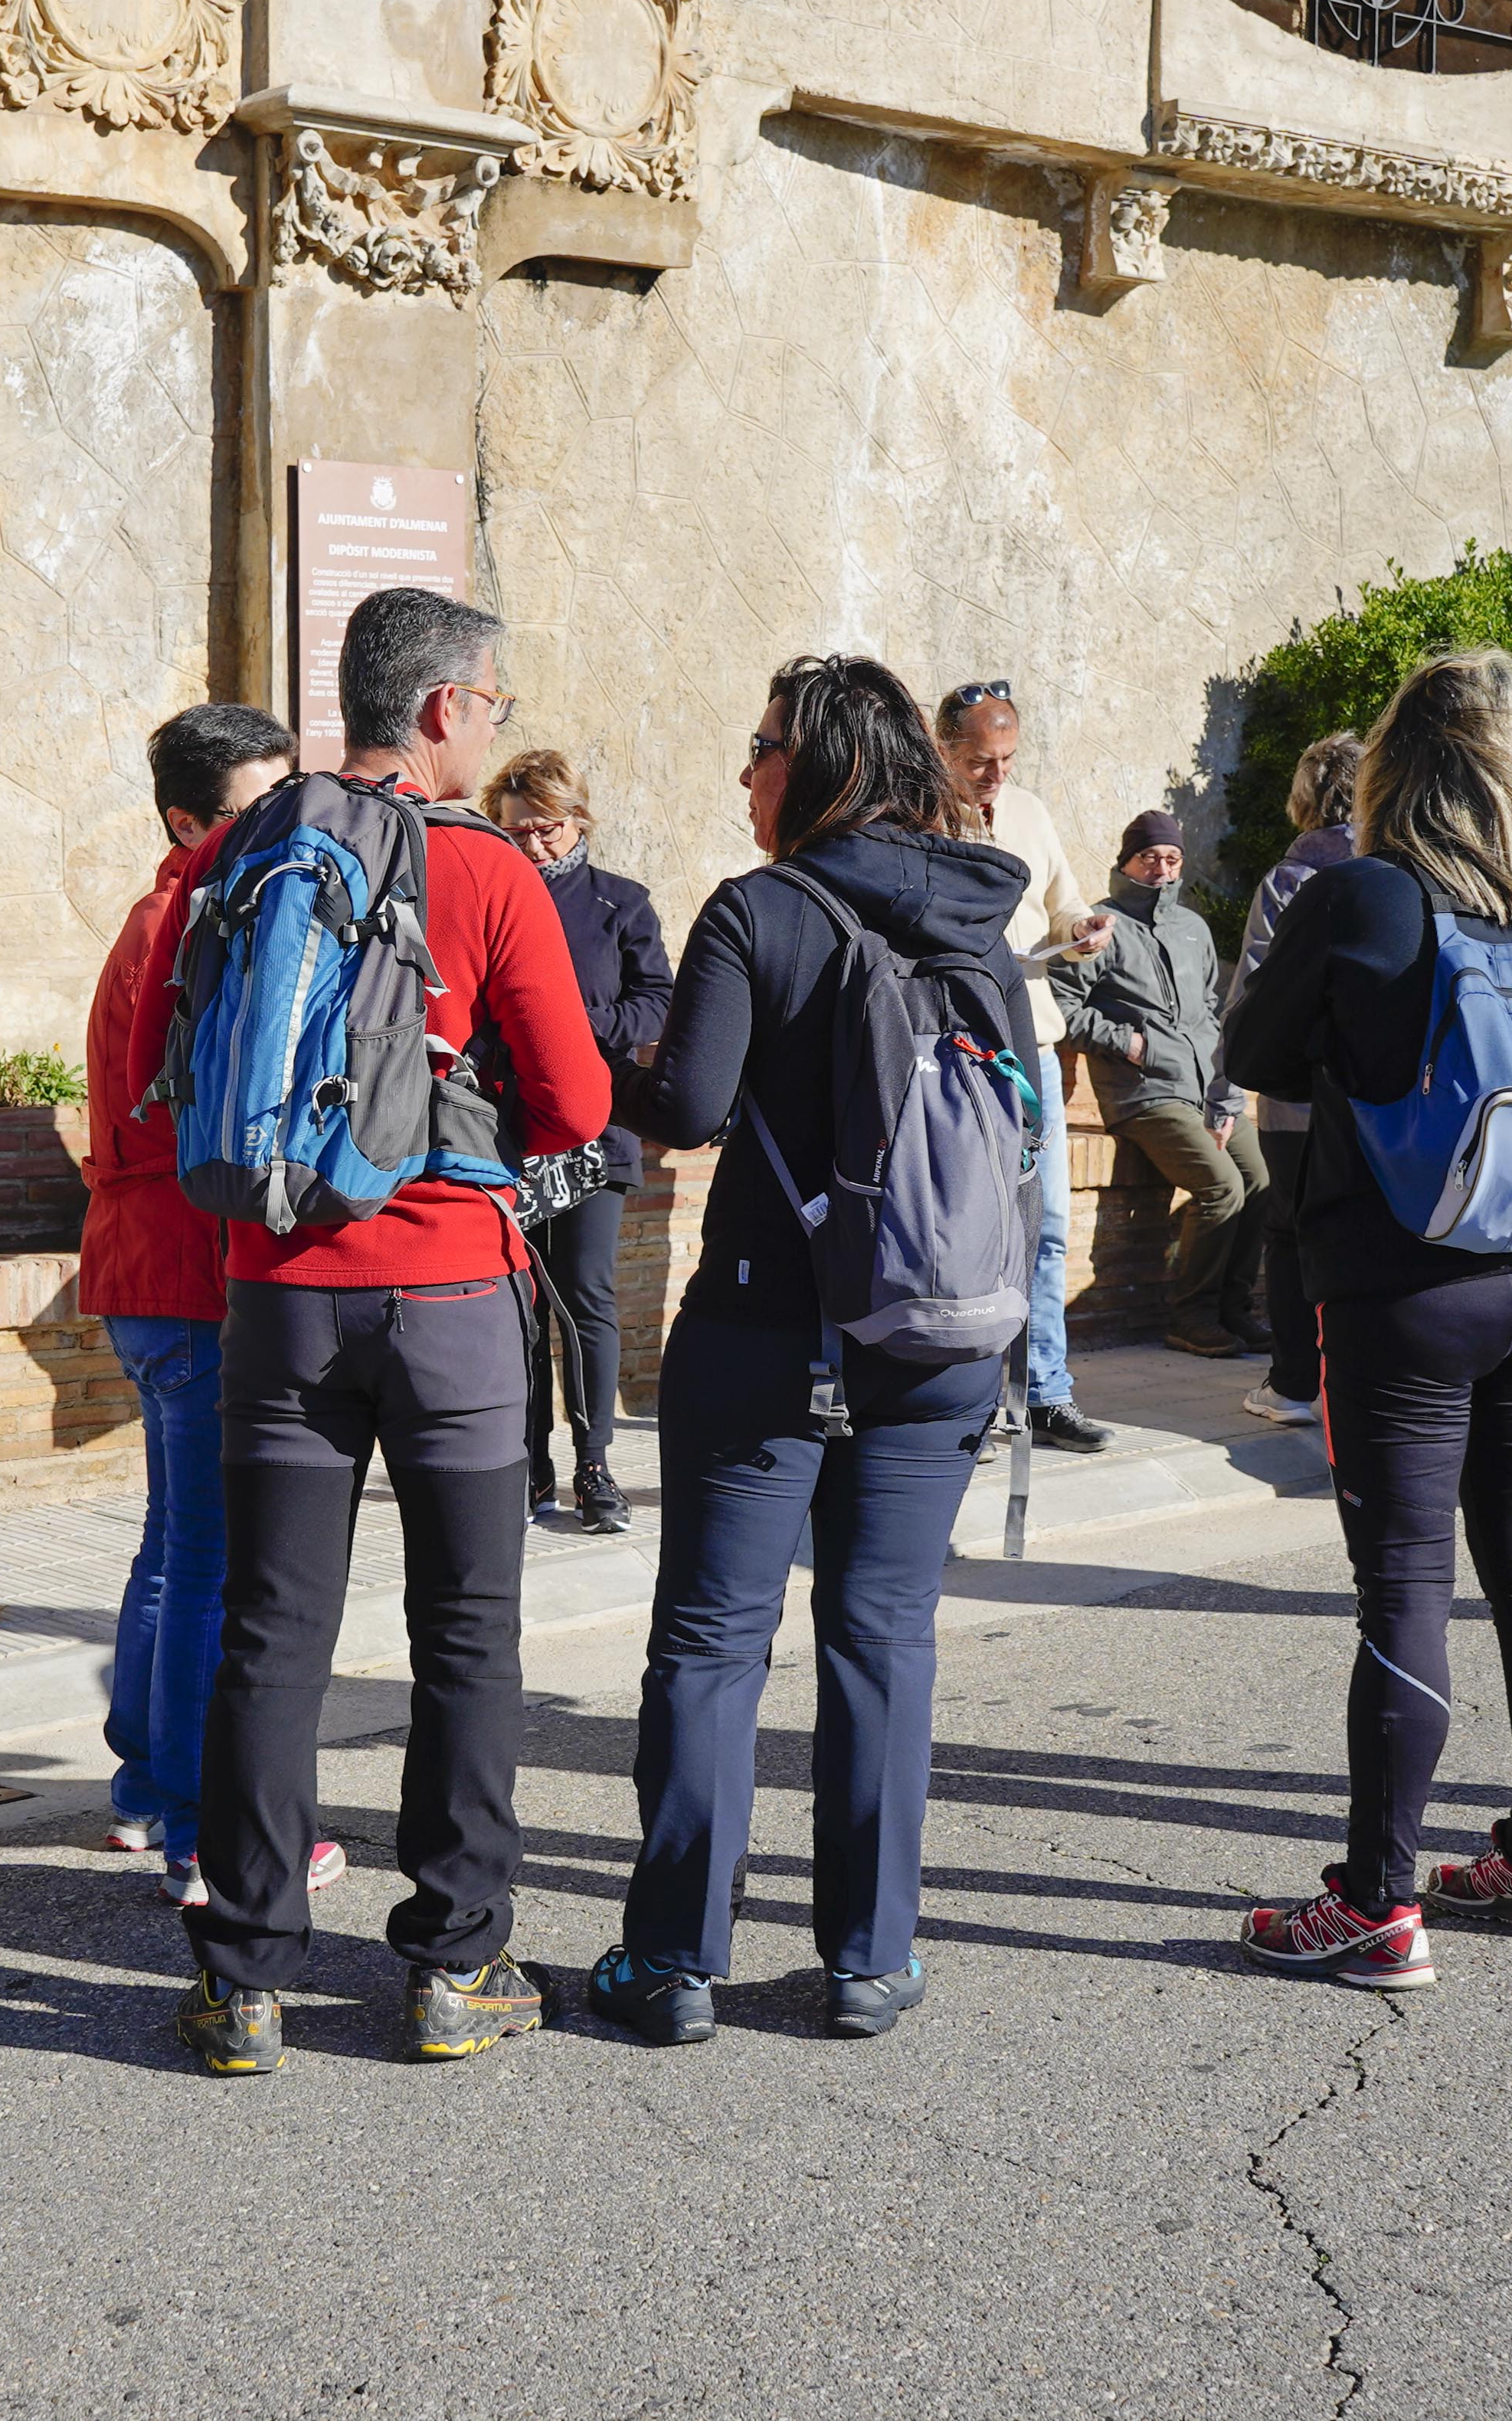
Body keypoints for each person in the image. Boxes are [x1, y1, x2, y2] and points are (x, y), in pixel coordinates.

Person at [136, 588, 613, 2073]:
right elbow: (578, 1105)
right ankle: (454, 1964)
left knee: (270, 1632)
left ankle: (242, 1982)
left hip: (277, 1293)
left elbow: (165, 1059)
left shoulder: (236, 849)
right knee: (464, 1632)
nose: (497, 724)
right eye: (495, 701)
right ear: (444, 707)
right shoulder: (487, 869)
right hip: (451, 1297)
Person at [585, 656, 1032, 2049]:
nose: (746, 770)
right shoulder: (982, 913)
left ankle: (673, 1960)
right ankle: (869, 1959)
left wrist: (582, 1044)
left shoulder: (758, 909)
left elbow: (687, 1107)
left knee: (714, 1640)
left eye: (763, 745)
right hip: (941, 1326)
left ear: (823, 761)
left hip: (766, 1323)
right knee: (882, 1636)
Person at [1219, 649, 1512, 1987]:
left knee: (1402, 1581)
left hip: (1403, 1277)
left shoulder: (1364, 894)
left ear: (1397, 762)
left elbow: (1253, 1052)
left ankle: (1378, 1902)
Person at [83, 702, 334, 1909]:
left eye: (288, 794)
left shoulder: (173, 907)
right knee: (206, 1559)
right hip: (182, 1271)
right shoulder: (193, 916)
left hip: (148, 1269)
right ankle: (196, 1822)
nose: (278, 821)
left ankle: (147, 1786)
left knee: (173, 1544)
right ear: (188, 820)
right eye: (251, 804)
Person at [479, 746, 676, 1533]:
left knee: (587, 1296)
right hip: (509, 1130)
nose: (533, 845)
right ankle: (530, 1466)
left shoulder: (619, 903)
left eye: (548, 829)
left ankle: (595, 1466)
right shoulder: (489, 897)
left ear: (578, 821)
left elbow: (657, 1003)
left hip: (596, 1128)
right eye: (518, 831)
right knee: (519, 1304)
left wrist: (573, 1026)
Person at [936, 683, 1119, 1452]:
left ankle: (1045, 1392)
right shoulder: (917, 815)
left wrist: (1084, 927)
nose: (997, 776)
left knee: (1045, 1227)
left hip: (1032, 1049)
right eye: (982, 761)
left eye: (1007, 760)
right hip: (955, 1052)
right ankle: (964, 1406)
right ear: (944, 750)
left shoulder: (1031, 812)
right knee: (964, 1235)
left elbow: (1061, 904)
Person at [1055, 810, 1266, 1357]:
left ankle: (1233, 1309)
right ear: (1126, 862)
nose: (1162, 869)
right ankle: (1191, 1315)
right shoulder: (1101, 926)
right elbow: (1063, 1008)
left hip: (1207, 1091)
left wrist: (1225, 1092)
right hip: (1144, 1094)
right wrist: (1129, 1043)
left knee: (1262, 1180)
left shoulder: (1193, 928)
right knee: (1222, 1186)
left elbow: (1213, 1009)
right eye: (1149, 857)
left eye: (1172, 858)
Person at [1230, 734, 1363, 1430]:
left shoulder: (1288, 881)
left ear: (1304, 799)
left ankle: (1292, 1385)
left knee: (1288, 1234)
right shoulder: (1397, 874)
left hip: (1294, 1100)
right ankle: (1355, 1377)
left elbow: (1252, 996)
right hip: (1372, 1096)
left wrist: (1237, 1082)